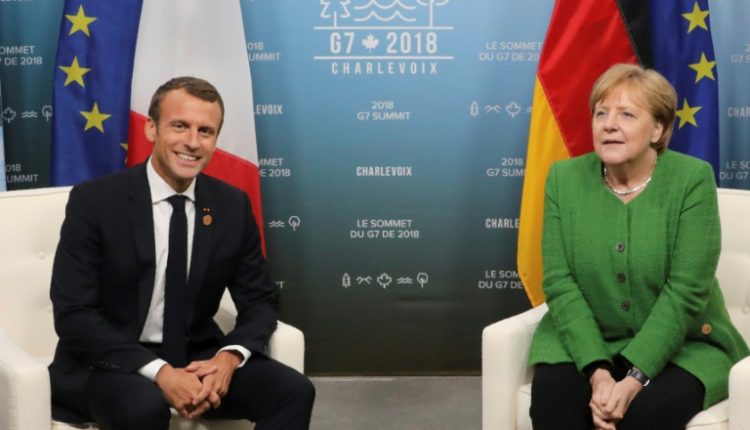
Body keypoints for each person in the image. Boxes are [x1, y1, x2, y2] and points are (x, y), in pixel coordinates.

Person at [49, 76, 315, 430]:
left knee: (293, 391)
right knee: (143, 406)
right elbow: (74, 314)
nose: (192, 142)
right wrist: (160, 372)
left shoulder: (231, 205)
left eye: (205, 131)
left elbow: (260, 301)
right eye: (179, 126)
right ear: (151, 129)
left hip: (196, 358)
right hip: (110, 362)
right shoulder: (95, 202)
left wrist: (229, 357)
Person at [527, 64, 749, 430]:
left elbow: (686, 291)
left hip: (684, 347)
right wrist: (598, 372)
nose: (609, 124)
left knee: (643, 416)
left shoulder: (692, 180)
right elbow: (559, 283)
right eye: (601, 113)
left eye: (626, 114)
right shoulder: (562, 179)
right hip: (585, 341)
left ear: (657, 129)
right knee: (556, 407)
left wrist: (632, 381)